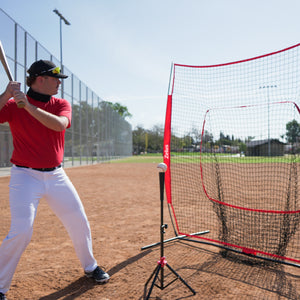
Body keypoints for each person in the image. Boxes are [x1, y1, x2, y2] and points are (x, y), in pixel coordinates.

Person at [0, 60, 109, 300]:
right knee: (21, 231)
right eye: (55, 78)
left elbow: (59, 125)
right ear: (41, 79)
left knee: (79, 221)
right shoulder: (12, 104)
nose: (59, 83)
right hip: (25, 176)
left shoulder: (59, 104)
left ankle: (90, 267)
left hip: (57, 175)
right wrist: (6, 94)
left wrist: (27, 106)